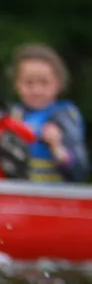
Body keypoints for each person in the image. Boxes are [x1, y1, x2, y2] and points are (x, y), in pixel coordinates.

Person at [7, 43, 89, 182]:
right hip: (19, 196)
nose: (37, 90)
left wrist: (58, 149)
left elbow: (81, 170)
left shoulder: (65, 117)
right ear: (17, 84)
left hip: (54, 197)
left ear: (58, 83)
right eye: (29, 83)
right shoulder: (11, 117)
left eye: (44, 83)